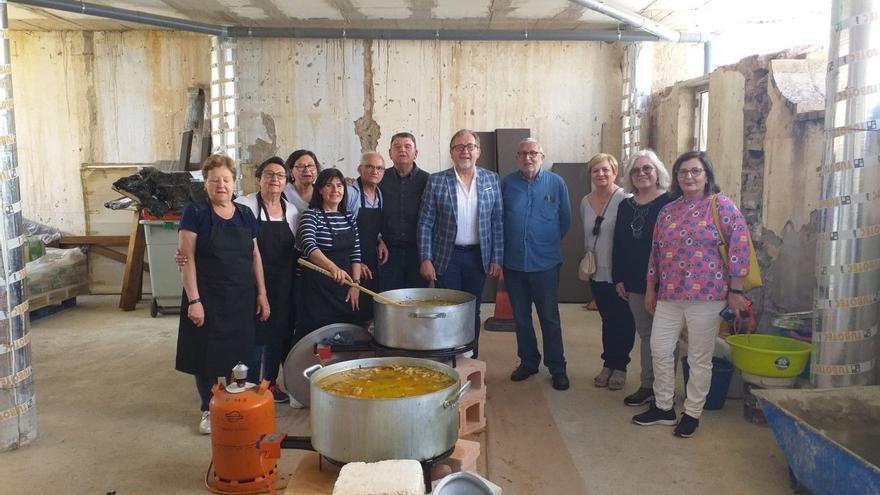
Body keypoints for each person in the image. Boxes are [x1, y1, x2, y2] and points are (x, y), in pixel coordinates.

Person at [632, 151, 752, 438]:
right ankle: (663, 407)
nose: (689, 177)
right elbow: (656, 254)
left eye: (695, 171)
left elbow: (739, 248)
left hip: (708, 296)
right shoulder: (668, 210)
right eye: (683, 172)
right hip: (670, 294)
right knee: (660, 348)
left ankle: (693, 413)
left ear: (707, 175)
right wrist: (651, 288)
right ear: (675, 177)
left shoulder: (722, 206)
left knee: (699, 357)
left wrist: (736, 290)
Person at [175, 154, 270, 435]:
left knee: (237, 356)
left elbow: (255, 255)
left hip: (240, 298)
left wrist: (262, 294)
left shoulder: (245, 214)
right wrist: (194, 300)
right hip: (206, 297)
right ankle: (208, 408)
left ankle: (232, 405)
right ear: (205, 183)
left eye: (226, 180)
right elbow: (187, 257)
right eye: (214, 180)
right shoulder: (196, 213)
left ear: (233, 182)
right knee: (205, 357)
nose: (221, 185)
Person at [417, 129, 503, 358]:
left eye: (470, 146)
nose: (465, 151)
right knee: (447, 310)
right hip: (447, 257)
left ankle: (469, 357)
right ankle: (448, 357)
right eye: (459, 147)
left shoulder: (491, 179)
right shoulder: (437, 181)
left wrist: (497, 257)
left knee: (472, 311)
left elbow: (497, 220)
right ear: (452, 152)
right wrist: (426, 258)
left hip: (478, 257)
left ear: (478, 152)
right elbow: (425, 222)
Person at [502, 138, 572, 391]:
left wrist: (544, 242)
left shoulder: (556, 183)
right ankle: (528, 362)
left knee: (549, 317)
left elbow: (564, 220)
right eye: (523, 153)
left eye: (533, 153)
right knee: (521, 318)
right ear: (517, 158)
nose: (528, 158)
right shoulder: (507, 184)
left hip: (546, 263)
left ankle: (558, 367)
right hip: (514, 264)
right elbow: (500, 220)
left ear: (542, 156)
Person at [611, 150, 675, 407]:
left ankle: (665, 388)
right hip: (635, 281)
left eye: (646, 169)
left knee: (667, 337)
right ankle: (648, 385)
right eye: (635, 171)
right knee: (647, 335)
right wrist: (619, 277)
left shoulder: (671, 202)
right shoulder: (626, 205)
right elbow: (619, 243)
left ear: (657, 171)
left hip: (668, 281)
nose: (641, 174)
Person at [234, 157, 298, 403]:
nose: (274, 179)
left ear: (286, 181)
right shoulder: (245, 205)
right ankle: (247, 386)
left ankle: (269, 383)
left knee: (278, 334)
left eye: (280, 175)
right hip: (250, 282)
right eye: (269, 174)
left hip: (283, 282)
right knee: (255, 336)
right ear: (259, 178)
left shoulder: (290, 209)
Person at [580, 153, 634, 390]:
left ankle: (620, 366)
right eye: (596, 171)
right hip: (596, 270)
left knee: (623, 319)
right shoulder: (585, 201)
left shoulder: (627, 199)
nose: (600, 174)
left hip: (619, 271)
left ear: (615, 172)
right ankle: (608, 363)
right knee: (607, 318)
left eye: (605, 170)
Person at [297, 168, 364, 335]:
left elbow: (355, 252)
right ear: (320, 190)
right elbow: (308, 246)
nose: (335, 190)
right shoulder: (311, 216)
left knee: (343, 336)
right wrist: (332, 267)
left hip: (344, 286)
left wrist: (355, 284)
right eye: (329, 185)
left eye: (339, 186)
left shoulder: (349, 217)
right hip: (317, 290)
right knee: (319, 338)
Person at [379, 132, 430, 291]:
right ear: (390, 153)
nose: (402, 150)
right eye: (397, 147)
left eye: (408, 147)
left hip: (418, 252)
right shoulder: (379, 178)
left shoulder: (429, 180)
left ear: (416, 153)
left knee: (418, 299)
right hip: (387, 252)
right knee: (389, 299)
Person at [346, 151, 386, 320]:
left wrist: (380, 241)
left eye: (379, 168)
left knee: (368, 308)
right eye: (369, 166)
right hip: (350, 260)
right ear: (359, 169)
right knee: (352, 308)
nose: (374, 171)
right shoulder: (350, 193)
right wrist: (355, 262)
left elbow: (373, 228)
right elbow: (343, 231)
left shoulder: (379, 194)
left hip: (370, 257)